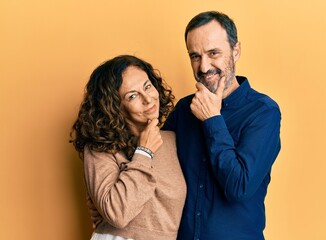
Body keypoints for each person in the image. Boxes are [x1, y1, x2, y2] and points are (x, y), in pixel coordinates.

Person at [162, 11, 281, 240]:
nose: (204, 67)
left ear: (235, 51)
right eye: (195, 56)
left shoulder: (264, 112)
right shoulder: (184, 110)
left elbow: (239, 187)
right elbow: (153, 165)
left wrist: (212, 120)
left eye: (213, 53)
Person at [70, 55, 186, 240]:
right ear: (115, 107)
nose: (148, 99)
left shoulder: (173, 140)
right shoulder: (100, 148)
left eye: (147, 86)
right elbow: (117, 213)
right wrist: (144, 153)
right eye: (132, 96)